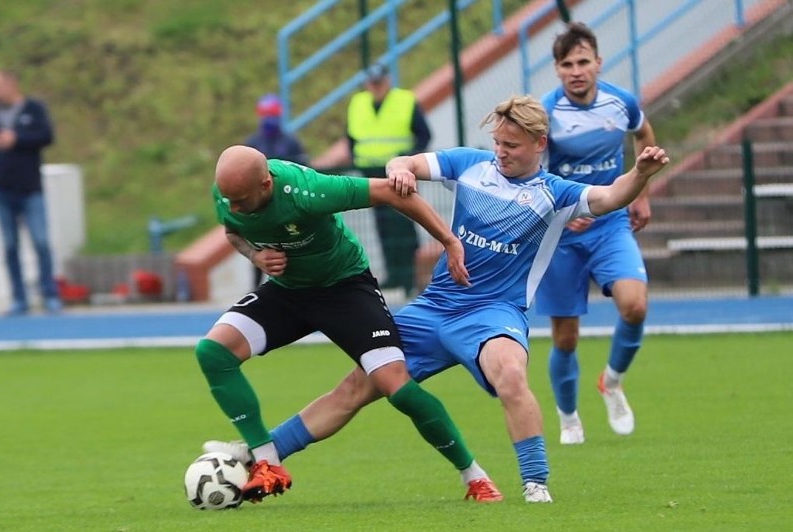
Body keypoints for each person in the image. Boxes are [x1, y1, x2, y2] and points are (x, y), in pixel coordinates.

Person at [204, 96, 670, 504]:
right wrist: (399, 169)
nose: (501, 153)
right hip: (434, 307)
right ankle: (258, 458)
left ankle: (535, 483)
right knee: (356, 388)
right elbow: (407, 164)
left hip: (494, 312)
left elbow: (610, 196)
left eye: (512, 146)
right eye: (499, 143)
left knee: (510, 374)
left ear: (539, 144)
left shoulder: (555, 194)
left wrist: (640, 175)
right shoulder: (470, 164)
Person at [196, 145, 504, 504]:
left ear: (265, 185)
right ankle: (266, 461)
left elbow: (392, 192)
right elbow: (233, 229)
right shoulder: (229, 193)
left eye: (240, 200)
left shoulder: (309, 191)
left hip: (345, 290)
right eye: (227, 198)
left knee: (396, 386)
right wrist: (255, 255)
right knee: (213, 351)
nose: (231, 206)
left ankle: (475, 476)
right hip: (288, 292)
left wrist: (449, 241)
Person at [536, 22, 658, 444]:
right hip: (561, 236)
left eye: (583, 61)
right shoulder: (545, 114)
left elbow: (643, 133)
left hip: (609, 224)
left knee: (635, 306)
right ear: (556, 69)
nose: (576, 70)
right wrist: (561, 213)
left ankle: (612, 381)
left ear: (598, 63)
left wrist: (640, 192)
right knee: (565, 338)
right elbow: (531, 175)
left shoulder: (621, 103)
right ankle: (568, 416)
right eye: (567, 64)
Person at [0, 69, 61, 316]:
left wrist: (17, 139)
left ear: (11, 84)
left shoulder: (33, 109)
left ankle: (49, 294)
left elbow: (46, 136)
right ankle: (19, 298)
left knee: (41, 241)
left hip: (30, 186)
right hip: (2, 189)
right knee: (9, 245)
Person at [347, 62, 431, 297]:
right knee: (383, 225)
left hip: (397, 174)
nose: (376, 87)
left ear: (388, 80)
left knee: (405, 223)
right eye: (372, 83)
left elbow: (423, 135)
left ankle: (410, 276)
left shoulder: (405, 100)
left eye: (379, 82)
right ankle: (394, 273)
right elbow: (352, 137)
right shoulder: (358, 103)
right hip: (370, 172)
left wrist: (407, 162)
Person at [243, 93, 309, 287]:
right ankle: (255, 287)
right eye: (266, 114)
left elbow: (303, 170)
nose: (269, 118)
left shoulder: (290, 143)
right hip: (260, 207)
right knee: (260, 245)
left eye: (272, 114)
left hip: (286, 206)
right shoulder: (253, 143)